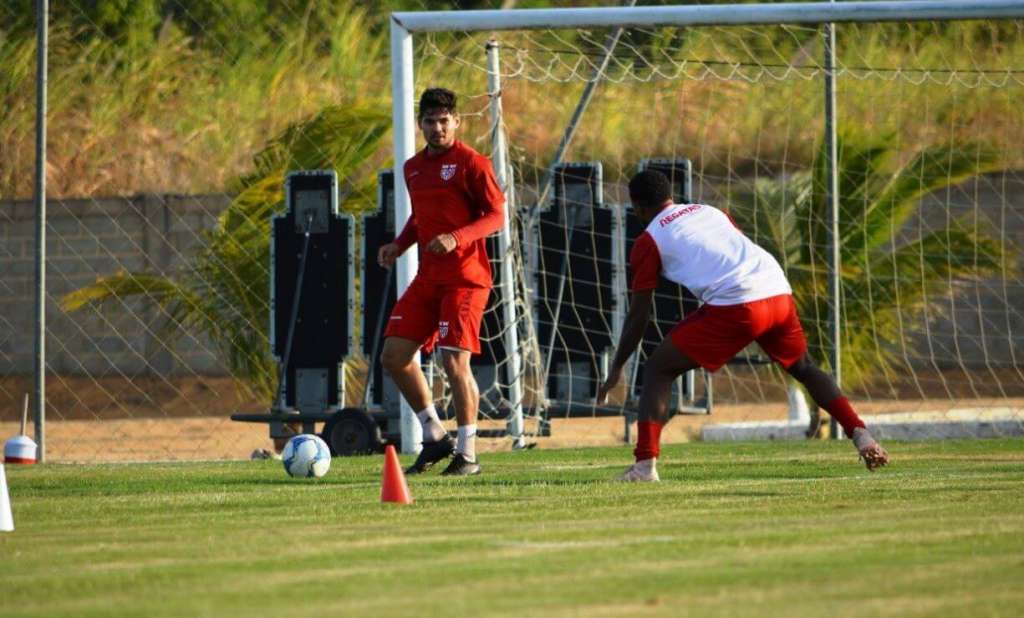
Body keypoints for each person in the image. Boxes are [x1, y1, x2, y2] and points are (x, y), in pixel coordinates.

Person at [597, 170, 889, 482]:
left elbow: (639, 314)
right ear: (671, 195)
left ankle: (644, 466)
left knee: (658, 369)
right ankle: (861, 434)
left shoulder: (648, 239)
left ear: (637, 208)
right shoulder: (709, 211)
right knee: (803, 366)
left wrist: (617, 367)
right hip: (776, 289)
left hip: (739, 303)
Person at [377, 88, 505, 476]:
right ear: (421, 124)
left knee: (454, 361)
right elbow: (421, 217)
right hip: (428, 279)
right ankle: (435, 437)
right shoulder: (413, 168)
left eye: (444, 121)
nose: (438, 128)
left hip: (465, 280)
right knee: (394, 357)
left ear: (457, 122)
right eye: (430, 122)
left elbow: (497, 215)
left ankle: (467, 454)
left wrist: (457, 237)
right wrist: (399, 244)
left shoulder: (472, 162)